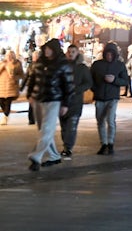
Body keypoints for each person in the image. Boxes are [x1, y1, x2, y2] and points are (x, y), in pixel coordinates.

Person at [24, 38, 73, 171]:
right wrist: (30, 94)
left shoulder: (62, 64)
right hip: (39, 99)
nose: (46, 51)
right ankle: (53, 155)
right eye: (45, 48)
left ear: (55, 50)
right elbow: (32, 78)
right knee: (43, 131)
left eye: (49, 49)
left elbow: (68, 85)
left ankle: (36, 156)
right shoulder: (40, 62)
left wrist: (65, 104)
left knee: (46, 130)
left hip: (54, 100)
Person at [90, 42, 127, 155]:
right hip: (100, 97)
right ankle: (103, 143)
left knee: (110, 120)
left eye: (111, 54)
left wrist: (114, 80)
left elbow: (125, 81)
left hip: (112, 97)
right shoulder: (97, 65)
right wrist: (95, 89)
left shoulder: (120, 65)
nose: (109, 56)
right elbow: (90, 79)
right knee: (100, 121)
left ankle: (110, 143)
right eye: (107, 54)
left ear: (115, 54)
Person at [59, 43, 93, 158]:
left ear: (77, 53)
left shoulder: (82, 68)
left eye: (73, 52)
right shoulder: (62, 66)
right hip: (62, 101)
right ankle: (65, 144)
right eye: (69, 51)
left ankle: (68, 147)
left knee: (71, 126)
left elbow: (88, 82)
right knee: (64, 126)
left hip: (75, 102)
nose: (71, 54)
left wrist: (77, 89)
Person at [0, 50, 24, 125]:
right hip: (2, 87)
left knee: (8, 102)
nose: (9, 57)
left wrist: (15, 78)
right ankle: (5, 113)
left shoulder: (17, 64)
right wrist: (3, 66)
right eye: (7, 55)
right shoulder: (2, 63)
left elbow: (22, 75)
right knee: (1, 101)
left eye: (10, 55)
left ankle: (5, 116)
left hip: (12, 87)